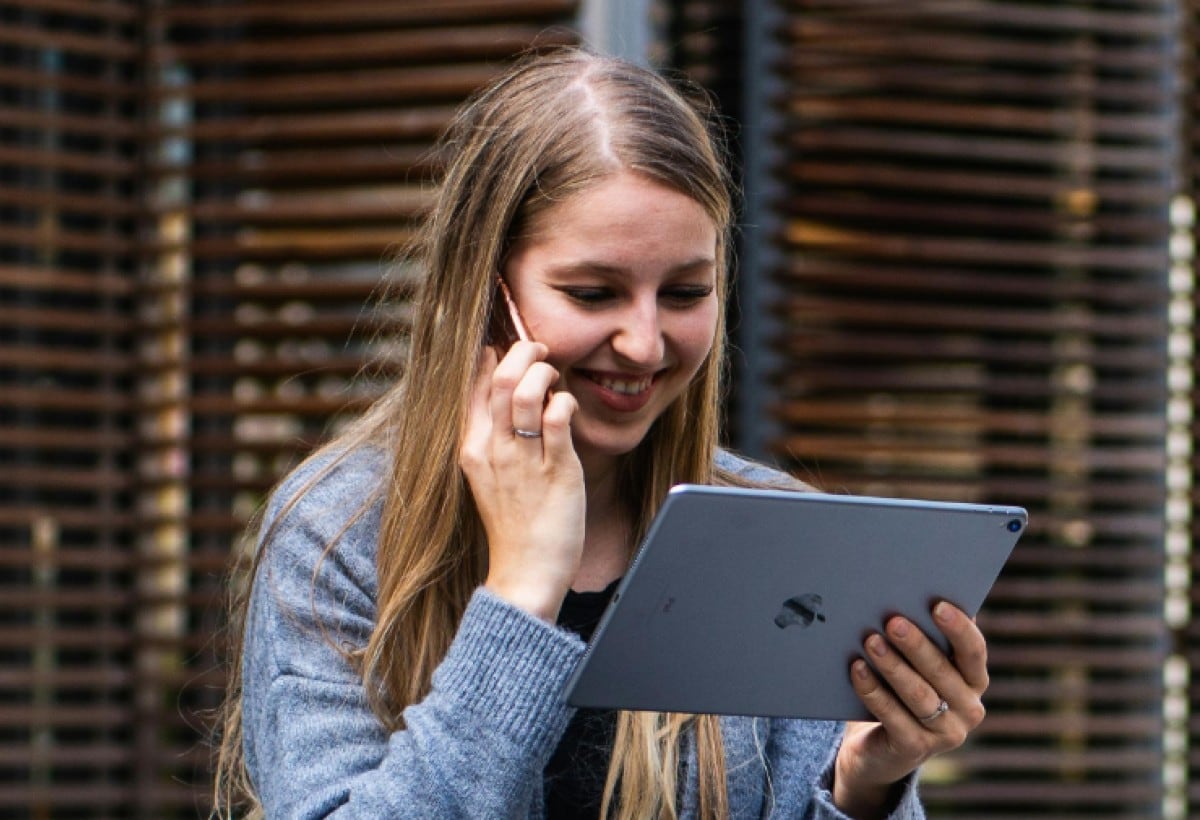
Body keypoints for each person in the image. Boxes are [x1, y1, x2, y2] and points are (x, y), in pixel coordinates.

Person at [213, 47, 990, 819]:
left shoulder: (771, 529)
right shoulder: (339, 532)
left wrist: (863, 788)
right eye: (593, 293)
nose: (647, 344)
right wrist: (521, 595)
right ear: (488, 294)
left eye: (686, 291)